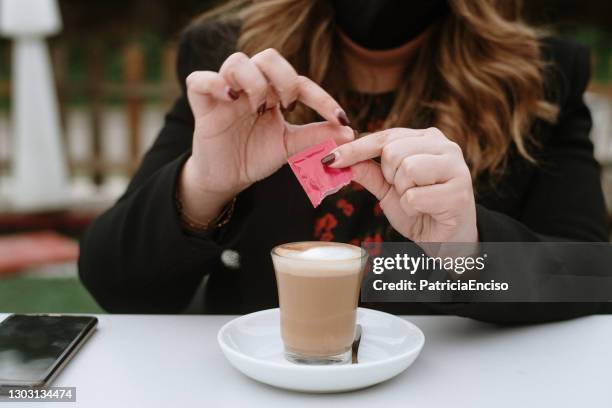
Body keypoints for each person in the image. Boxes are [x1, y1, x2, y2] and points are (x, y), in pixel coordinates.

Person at [78, 0, 610, 322]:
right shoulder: (230, 58)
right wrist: (202, 188)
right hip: (263, 380)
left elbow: (590, 276)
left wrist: (467, 252)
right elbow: (115, 285)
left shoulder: (539, 75)